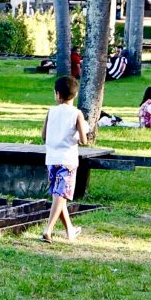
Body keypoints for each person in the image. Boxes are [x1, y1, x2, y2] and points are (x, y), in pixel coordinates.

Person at [40, 74, 92, 243]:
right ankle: (48, 229)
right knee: (60, 195)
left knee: (58, 195)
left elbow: (43, 135)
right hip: (68, 160)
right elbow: (84, 140)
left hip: (51, 159)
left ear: (57, 94)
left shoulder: (51, 111)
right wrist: (78, 134)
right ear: (75, 95)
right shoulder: (76, 114)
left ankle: (70, 230)